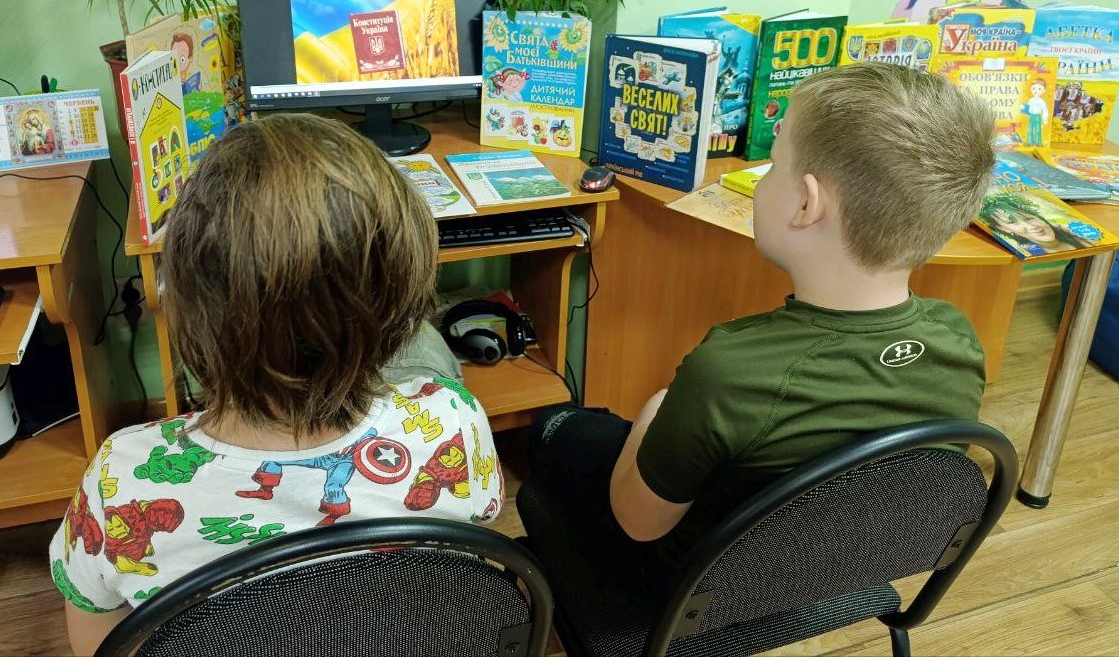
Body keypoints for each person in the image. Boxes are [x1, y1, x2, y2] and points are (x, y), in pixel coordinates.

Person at [524, 62, 996, 591]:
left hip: (693, 589)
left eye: (773, 163)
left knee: (557, 426)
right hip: (835, 569)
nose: (764, 180)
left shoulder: (730, 372)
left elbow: (639, 523)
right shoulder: (958, 341)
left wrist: (655, 409)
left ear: (806, 203)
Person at [50, 114, 502, 655]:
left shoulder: (120, 480)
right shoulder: (455, 422)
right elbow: (478, 539)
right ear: (399, 304)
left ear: (188, 308)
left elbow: (96, 641)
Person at [979, 192, 1100, 255]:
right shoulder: (1026, 250)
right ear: (1004, 229)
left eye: (1029, 218)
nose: (1031, 226)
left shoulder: (1074, 231)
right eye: (1012, 222)